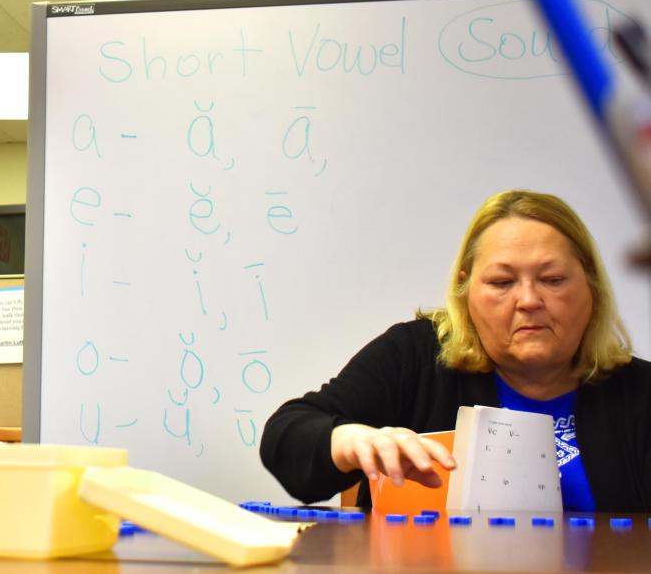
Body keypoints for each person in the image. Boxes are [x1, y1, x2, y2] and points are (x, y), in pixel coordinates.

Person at [260, 189, 651, 511]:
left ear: (592, 289)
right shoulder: (413, 357)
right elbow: (286, 439)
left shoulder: (639, 392)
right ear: (465, 293)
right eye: (502, 282)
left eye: (552, 279)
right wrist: (348, 441)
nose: (528, 300)